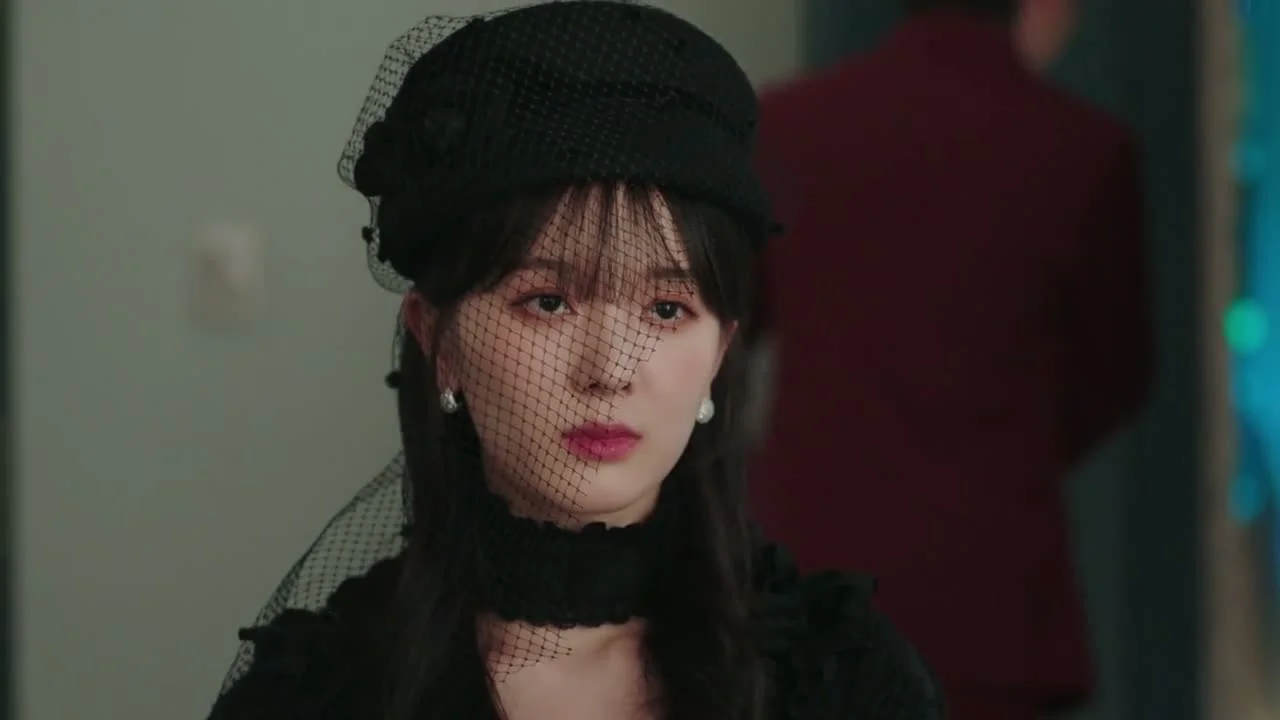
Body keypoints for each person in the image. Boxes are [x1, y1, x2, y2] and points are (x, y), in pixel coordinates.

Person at [205, 2, 944, 719]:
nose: (610, 369)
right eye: (548, 301)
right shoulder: (317, 693)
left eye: (666, 310)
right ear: (436, 338)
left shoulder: (840, 681)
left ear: (721, 351)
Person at [747, 1, 1151, 719]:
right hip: (992, 604)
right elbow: (1117, 373)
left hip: (815, 579)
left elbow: (718, 331)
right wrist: (1006, 454)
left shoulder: (788, 126)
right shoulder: (1082, 148)